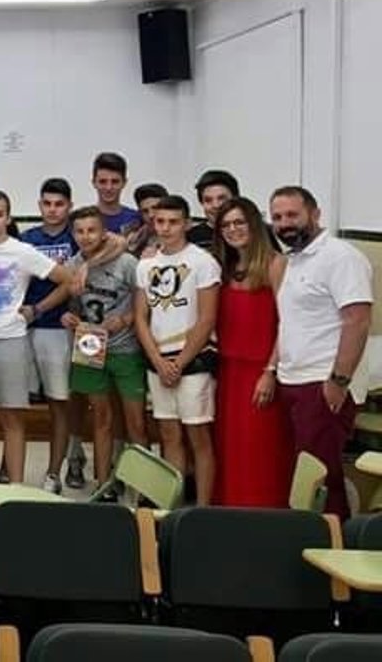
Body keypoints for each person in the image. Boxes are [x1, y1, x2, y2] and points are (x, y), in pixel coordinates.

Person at [270, 186, 373, 520]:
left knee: (322, 476)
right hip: (293, 379)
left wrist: (338, 381)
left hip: (323, 383)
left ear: (315, 214)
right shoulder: (293, 260)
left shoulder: (341, 257)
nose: (284, 223)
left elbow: (357, 320)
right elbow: (290, 323)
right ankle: (310, 534)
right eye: (277, 217)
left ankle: (333, 539)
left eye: (292, 215)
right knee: (304, 475)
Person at [0, 190, 71, 487]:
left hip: (10, 341)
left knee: (12, 417)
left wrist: (36, 309)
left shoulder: (22, 251)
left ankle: (14, 487)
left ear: (8, 218)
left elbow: (67, 280)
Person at [134, 195, 220, 506]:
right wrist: (158, 360)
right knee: (168, 435)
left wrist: (180, 362)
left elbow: (207, 318)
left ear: (186, 223)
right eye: (160, 221)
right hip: (159, 361)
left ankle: (202, 509)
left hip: (193, 360)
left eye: (173, 222)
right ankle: (173, 506)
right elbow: (140, 317)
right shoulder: (146, 265)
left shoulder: (203, 262)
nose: (166, 228)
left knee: (198, 437)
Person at [61, 206, 147, 499]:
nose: (86, 236)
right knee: (101, 419)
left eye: (92, 230)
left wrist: (125, 319)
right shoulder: (73, 264)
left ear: (104, 232)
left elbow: (145, 303)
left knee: (136, 423)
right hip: (90, 349)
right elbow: (75, 303)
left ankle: (143, 488)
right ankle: (103, 485)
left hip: (125, 349)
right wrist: (70, 317)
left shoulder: (127, 263)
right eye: (80, 231)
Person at [211, 198, 292, 508]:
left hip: (261, 371)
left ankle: (263, 514)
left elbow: (288, 323)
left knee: (260, 449)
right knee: (230, 448)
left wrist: (270, 371)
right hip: (228, 371)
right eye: (226, 225)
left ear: (254, 225)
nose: (233, 230)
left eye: (239, 222)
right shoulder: (224, 268)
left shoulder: (276, 264)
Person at [19, 178, 79, 494]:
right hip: (23, 329)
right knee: (16, 401)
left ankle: (54, 472)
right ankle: (9, 469)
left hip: (59, 329)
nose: (53, 209)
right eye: (47, 203)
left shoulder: (78, 237)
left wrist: (39, 308)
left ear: (69, 206)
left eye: (59, 204)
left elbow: (74, 282)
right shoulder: (27, 239)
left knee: (59, 402)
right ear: (39, 205)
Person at [188, 169, 240, 250]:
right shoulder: (189, 239)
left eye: (222, 198)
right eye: (208, 200)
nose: (216, 205)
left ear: (236, 199)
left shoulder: (253, 233)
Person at [92, 152, 141, 237]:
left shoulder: (136, 219)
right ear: (94, 183)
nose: (109, 188)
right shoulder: (82, 220)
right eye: (103, 182)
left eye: (115, 182)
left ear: (124, 183)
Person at [127, 183, 169, 258]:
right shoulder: (133, 237)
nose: (151, 215)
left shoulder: (185, 233)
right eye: (145, 211)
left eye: (155, 208)